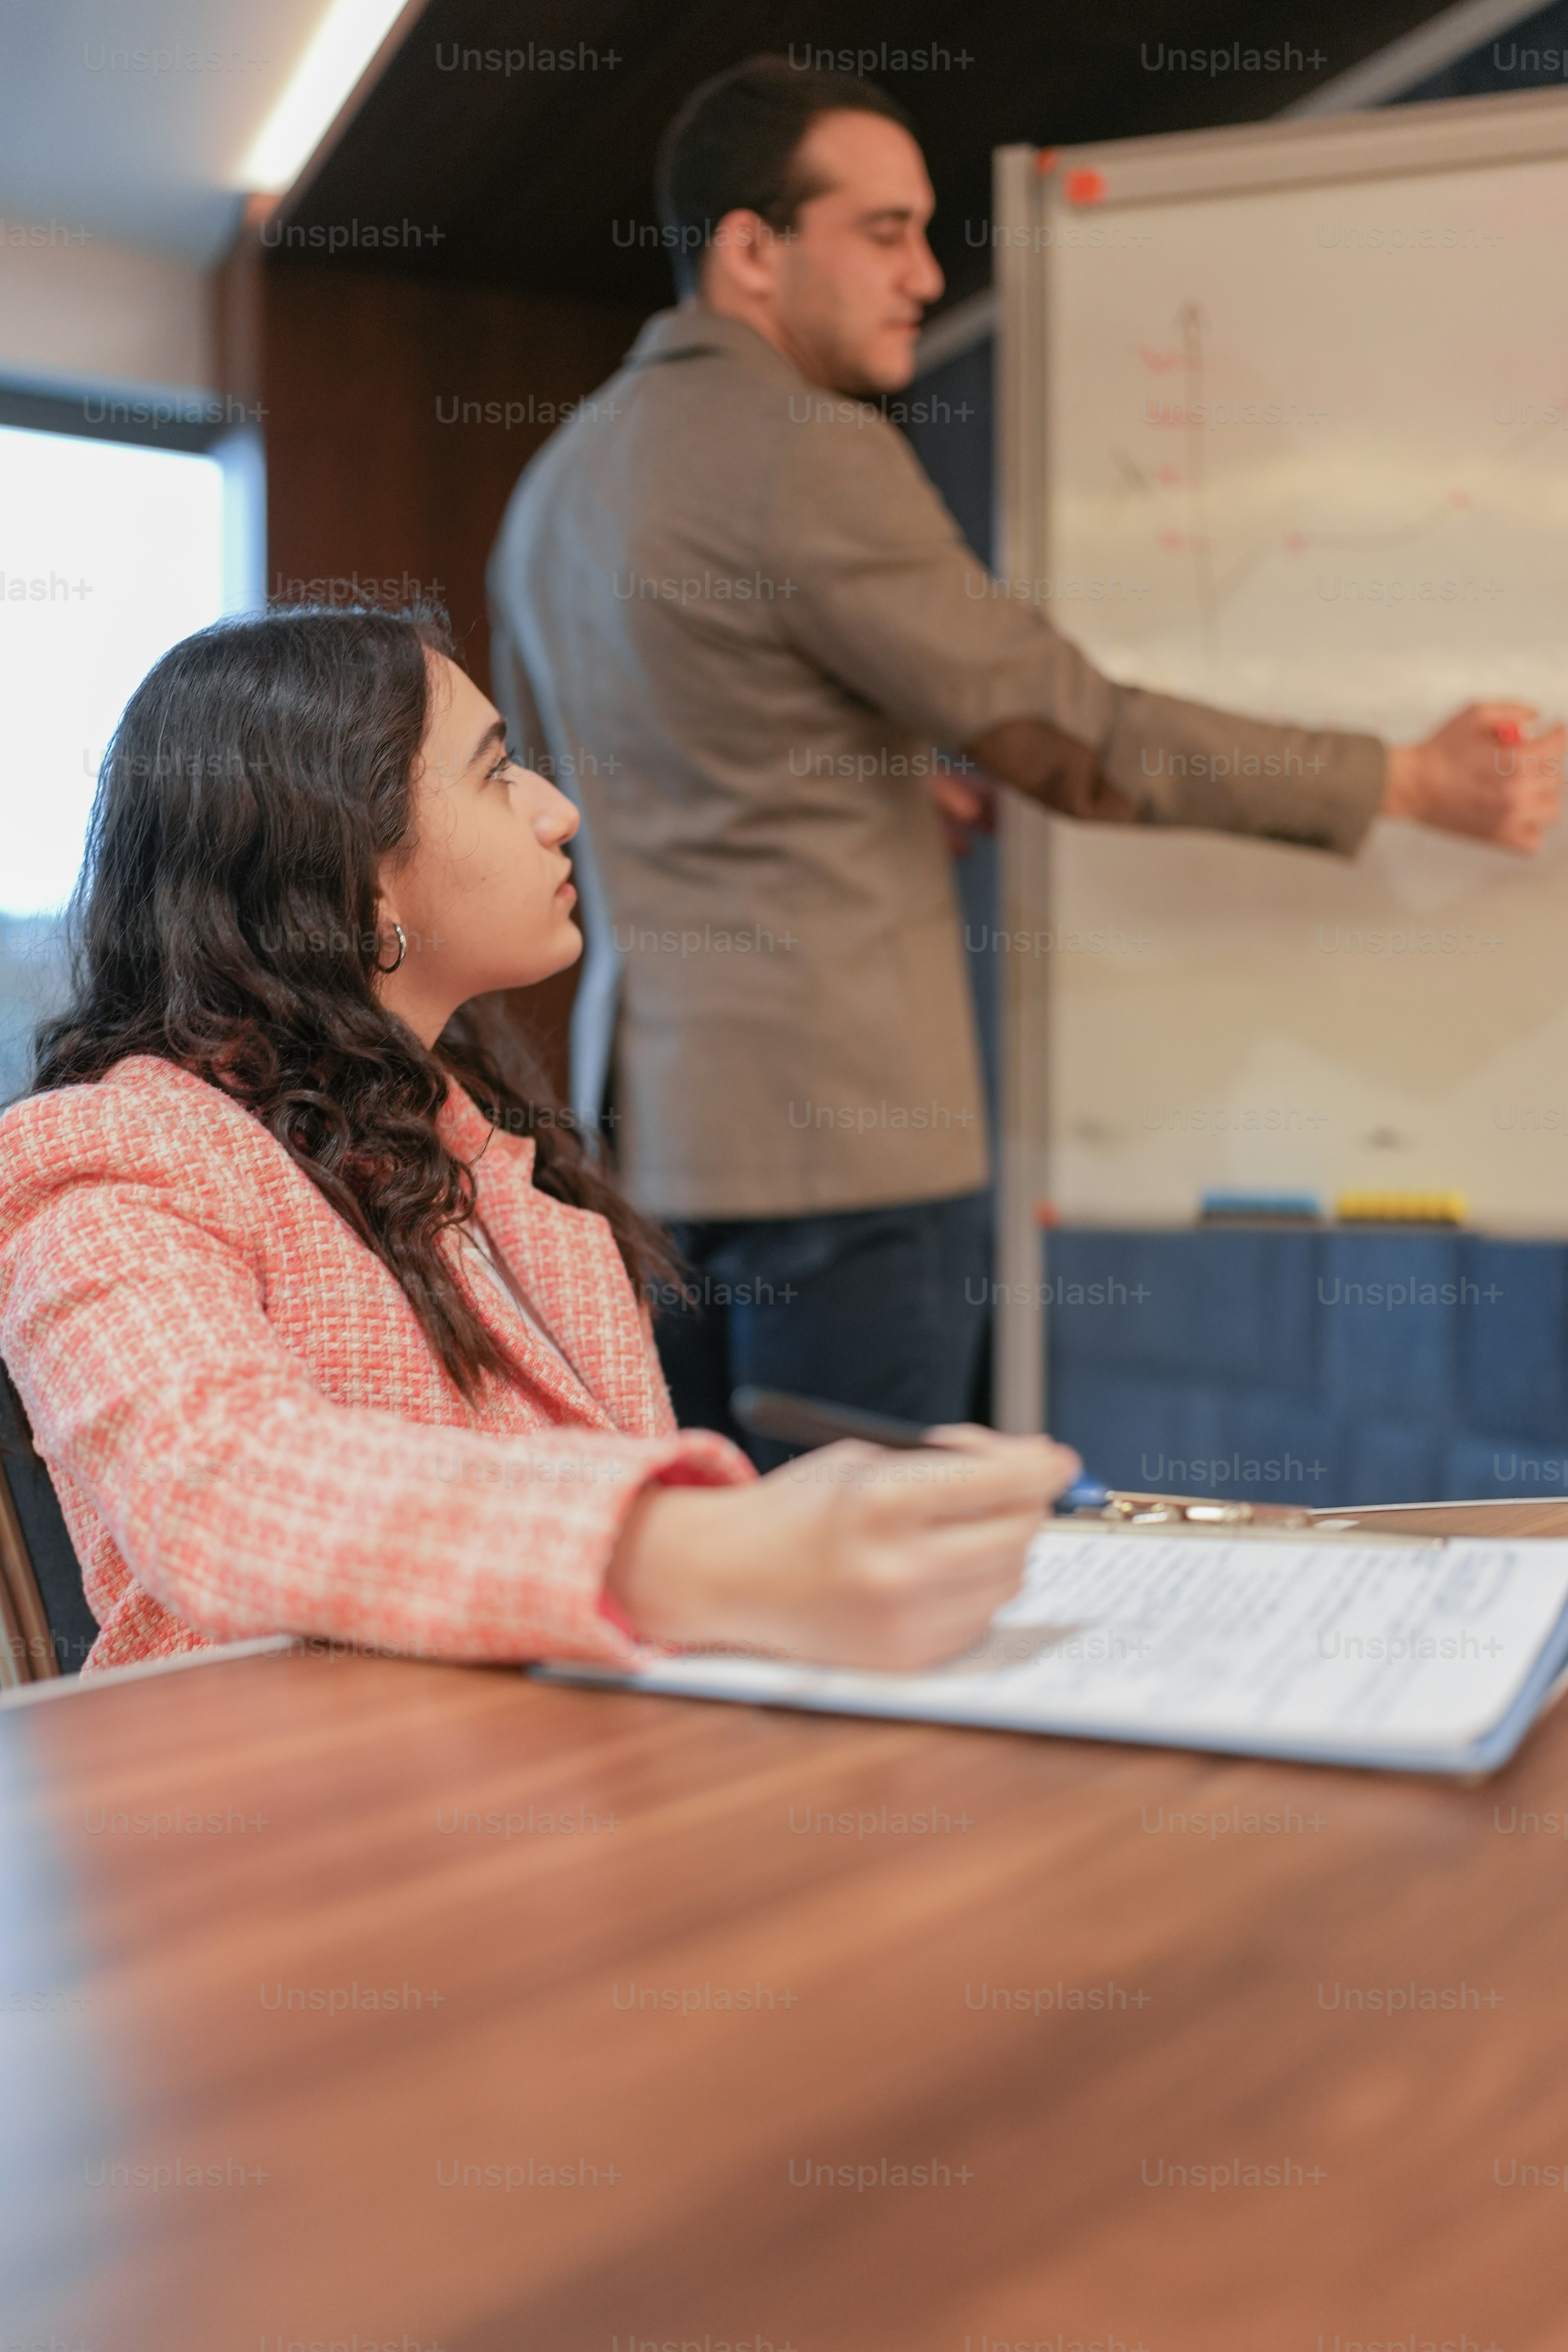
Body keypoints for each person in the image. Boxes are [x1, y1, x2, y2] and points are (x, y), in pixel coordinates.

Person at [487, 54, 1565, 1457]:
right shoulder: (803, 448)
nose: (927, 276)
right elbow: (1075, 734)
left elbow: (604, 785)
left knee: (705, 1582)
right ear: (751, 250)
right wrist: (1404, 781)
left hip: (645, 1139)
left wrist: (864, 777)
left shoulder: (552, 486)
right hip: (849, 1147)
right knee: (863, 1595)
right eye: (885, 231)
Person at [0, 607, 1079, 1679]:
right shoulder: (109, 1157)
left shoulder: (482, 1159)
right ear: (359, 872)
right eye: (497, 771)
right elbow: (217, 1484)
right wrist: (711, 1552)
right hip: (280, 1821)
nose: (559, 812)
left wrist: (834, 1520)